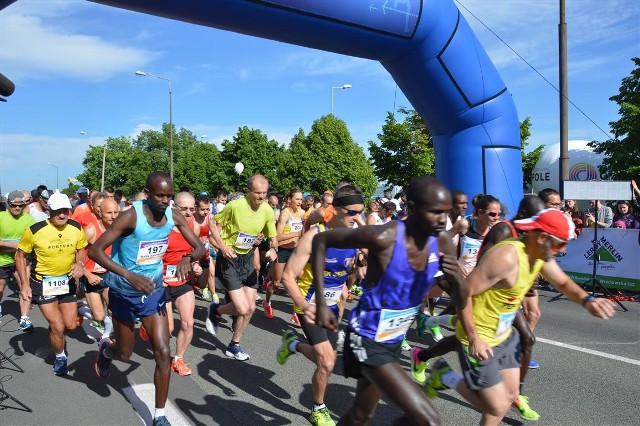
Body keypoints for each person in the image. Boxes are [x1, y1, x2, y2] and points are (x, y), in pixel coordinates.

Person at [425, 209, 615, 426]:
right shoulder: (506, 258)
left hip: (505, 335)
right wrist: (474, 337)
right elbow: (463, 294)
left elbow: (562, 282)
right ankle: (444, 376)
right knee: (494, 405)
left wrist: (588, 301)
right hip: (480, 337)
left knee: (509, 396)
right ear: (542, 237)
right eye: (560, 244)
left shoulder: (540, 256)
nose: (562, 250)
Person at [310, 176, 468, 426]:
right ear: (413, 209)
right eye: (435, 212)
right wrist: (320, 302)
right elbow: (321, 241)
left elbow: (462, 300)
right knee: (428, 421)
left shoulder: (443, 243)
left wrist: (457, 281)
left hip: (393, 339)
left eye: (446, 213)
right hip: (366, 336)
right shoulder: (385, 237)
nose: (442, 220)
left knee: (362, 415)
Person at [89, 171, 205, 426]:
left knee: (163, 352)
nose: (165, 201)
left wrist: (189, 257)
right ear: (148, 193)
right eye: (160, 195)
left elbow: (200, 247)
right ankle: (106, 351)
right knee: (124, 353)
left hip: (153, 292)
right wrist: (129, 275)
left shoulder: (173, 215)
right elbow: (96, 251)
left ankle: (159, 415)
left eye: (169, 196)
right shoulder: (131, 216)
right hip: (124, 291)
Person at [277, 184, 364, 426]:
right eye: (352, 213)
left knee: (325, 357)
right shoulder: (314, 236)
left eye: (361, 212)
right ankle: (318, 408)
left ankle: (292, 345)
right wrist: (305, 307)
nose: (358, 218)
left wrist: (356, 272)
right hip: (311, 304)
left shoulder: (353, 237)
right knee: (327, 360)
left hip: (333, 306)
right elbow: (287, 277)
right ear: (335, 209)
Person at [15, 190, 88, 375]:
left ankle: (57, 332)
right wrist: (24, 285)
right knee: (58, 326)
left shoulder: (76, 228)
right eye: (57, 211)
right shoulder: (35, 230)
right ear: (49, 210)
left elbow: (82, 249)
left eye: (65, 210)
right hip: (43, 283)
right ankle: (60, 355)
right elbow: (20, 255)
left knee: (70, 325)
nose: (62, 214)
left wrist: (80, 264)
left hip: (67, 281)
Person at [205, 175, 277, 361]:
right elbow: (212, 222)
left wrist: (273, 249)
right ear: (248, 191)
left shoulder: (268, 210)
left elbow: (273, 235)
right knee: (242, 307)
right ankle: (217, 310)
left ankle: (234, 345)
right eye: (258, 193)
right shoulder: (235, 206)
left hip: (247, 259)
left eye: (265, 193)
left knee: (251, 308)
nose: (262, 196)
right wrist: (222, 246)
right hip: (229, 258)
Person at [162, 192, 202, 377]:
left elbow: (196, 252)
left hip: (183, 281)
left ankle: (178, 359)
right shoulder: (163, 227)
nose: (188, 213)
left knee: (188, 323)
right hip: (162, 283)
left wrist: (195, 265)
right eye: (183, 208)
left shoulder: (194, 227)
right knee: (168, 328)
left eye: (191, 209)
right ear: (174, 207)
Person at [81, 197, 120, 341]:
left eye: (116, 212)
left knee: (113, 309)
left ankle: (109, 336)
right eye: (109, 213)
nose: (114, 216)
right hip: (91, 275)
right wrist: (87, 273)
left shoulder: (118, 229)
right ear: (100, 212)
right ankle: (82, 310)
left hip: (108, 274)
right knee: (98, 315)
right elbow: (74, 254)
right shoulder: (91, 230)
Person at [263, 189, 304, 319]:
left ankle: (296, 312)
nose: (300, 202)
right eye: (297, 199)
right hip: (282, 250)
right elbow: (277, 237)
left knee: (299, 280)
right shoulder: (284, 214)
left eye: (301, 199)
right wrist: (295, 235)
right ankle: (267, 302)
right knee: (276, 282)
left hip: (295, 251)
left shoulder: (302, 213)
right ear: (289, 199)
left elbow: (302, 231)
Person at [0, 191, 36, 330]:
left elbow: (35, 238)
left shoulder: (28, 219)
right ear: (8, 204)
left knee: (25, 287)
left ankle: (24, 318)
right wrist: (13, 245)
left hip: (20, 259)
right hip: (2, 260)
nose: (17, 208)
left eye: (20, 206)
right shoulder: (1, 217)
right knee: (1, 288)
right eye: (14, 205)